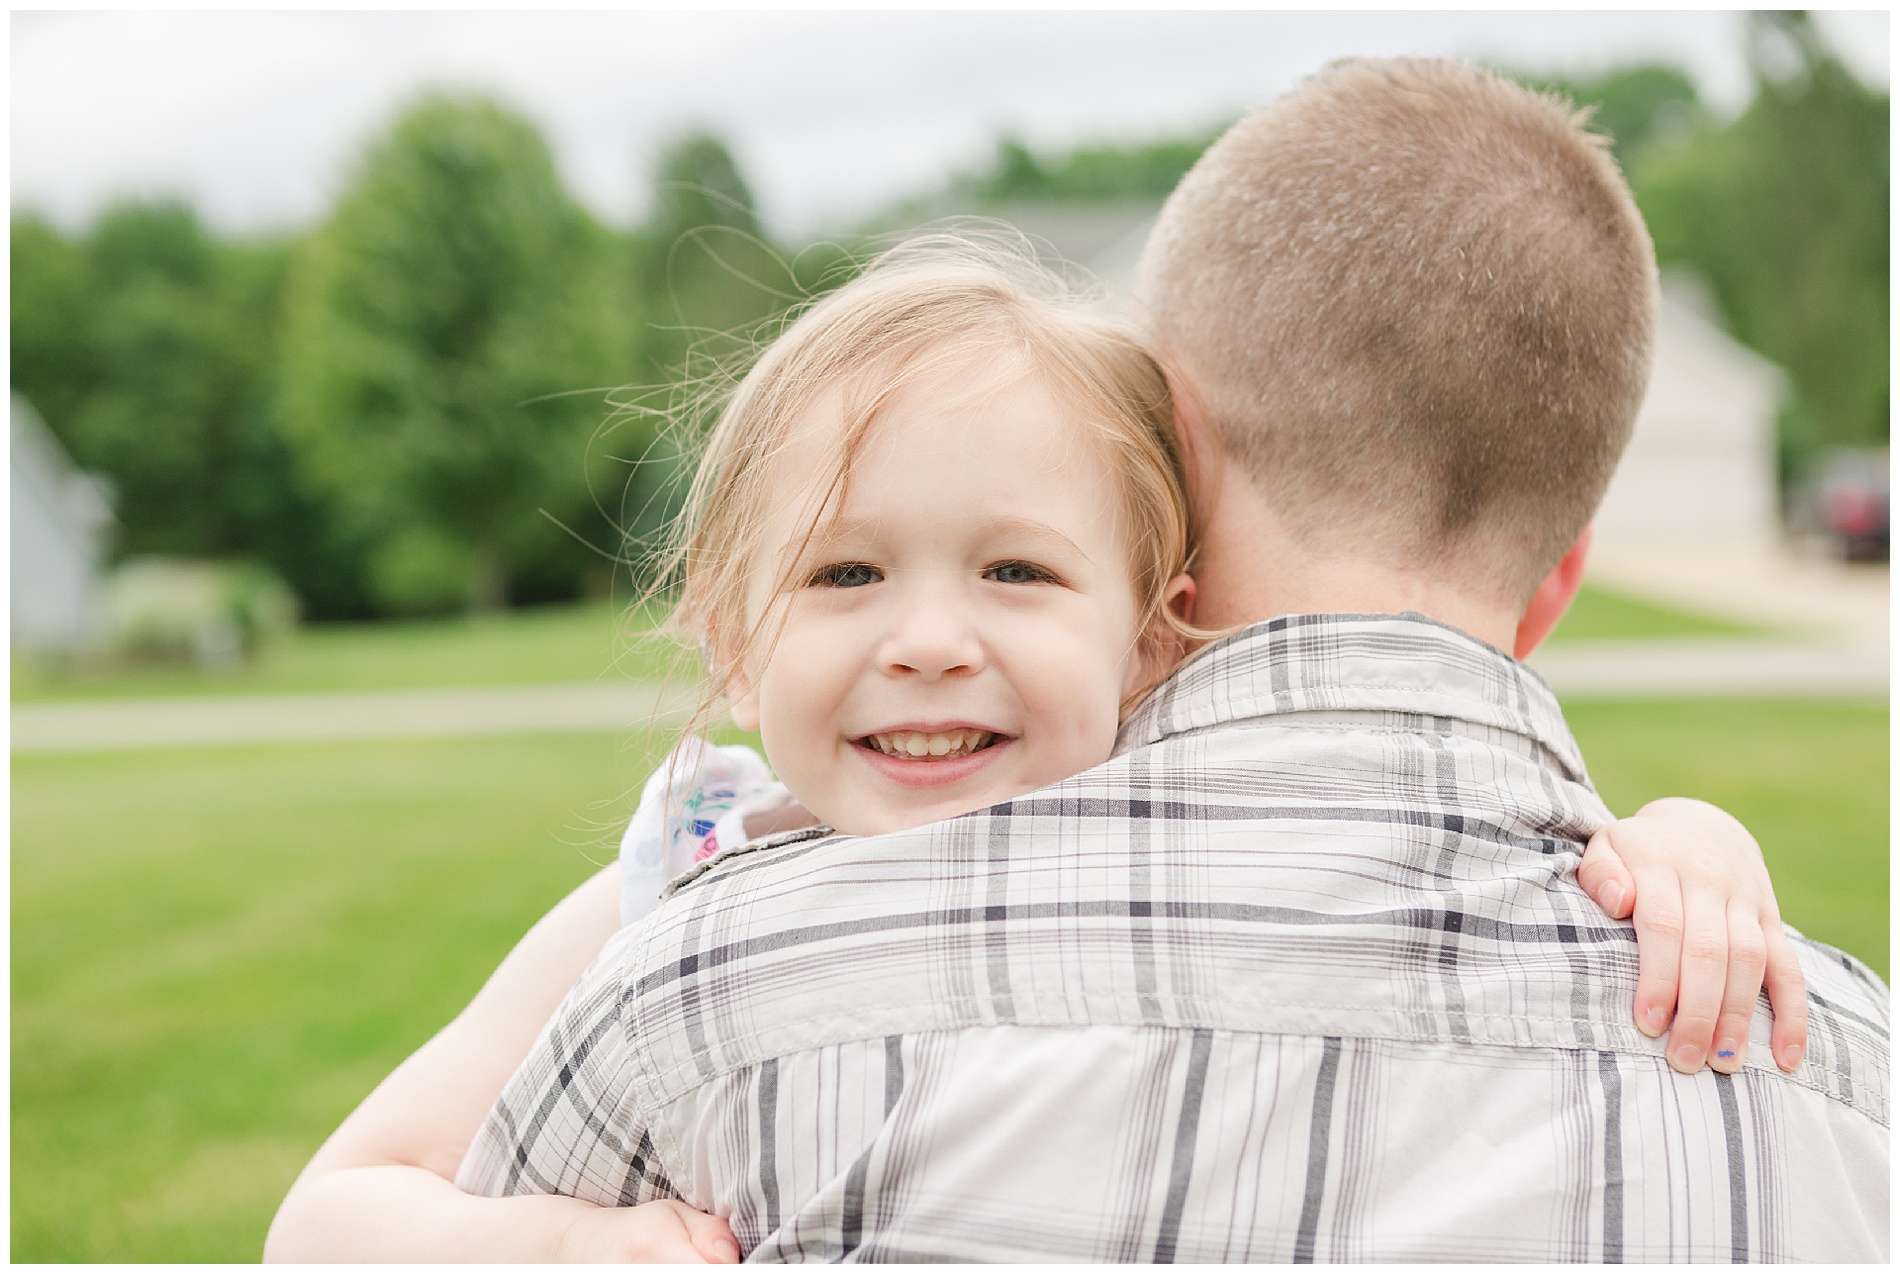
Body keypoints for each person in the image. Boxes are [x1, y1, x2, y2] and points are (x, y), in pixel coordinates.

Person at [263, 59, 1887, 1262]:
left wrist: (1679, 843)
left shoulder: (702, 1010)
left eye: (1019, 568)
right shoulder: (1834, 1067)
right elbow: (334, 1220)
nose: (930, 643)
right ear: (731, 636)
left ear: (1156, 581)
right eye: (844, 571)